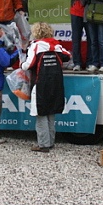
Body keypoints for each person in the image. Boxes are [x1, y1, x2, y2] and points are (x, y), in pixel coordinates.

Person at [21, 22, 71, 152]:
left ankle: (43, 144)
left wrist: (21, 65)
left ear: (36, 32)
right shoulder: (56, 45)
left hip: (41, 83)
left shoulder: (36, 46)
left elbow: (28, 65)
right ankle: (51, 141)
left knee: (41, 114)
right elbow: (68, 56)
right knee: (51, 112)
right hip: (56, 83)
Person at [64, 0, 91, 71]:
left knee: (91, 38)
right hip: (76, 11)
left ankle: (90, 62)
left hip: (89, 11)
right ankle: (77, 63)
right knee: (76, 39)